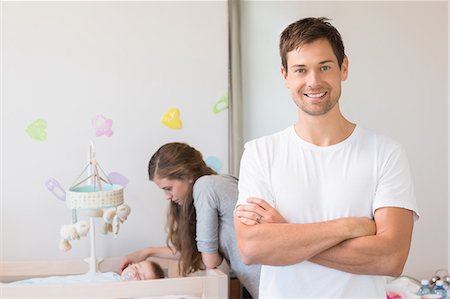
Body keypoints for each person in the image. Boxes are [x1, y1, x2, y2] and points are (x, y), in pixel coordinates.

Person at [234, 17, 419, 298]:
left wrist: (285, 235)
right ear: (284, 75)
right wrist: (349, 226)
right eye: (300, 70)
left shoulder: (386, 153)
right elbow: (252, 248)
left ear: (343, 68)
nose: (313, 81)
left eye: (324, 67)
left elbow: (390, 258)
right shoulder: (260, 154)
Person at [119, 142, 260, 298]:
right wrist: (148, 252)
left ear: (187, 175)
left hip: (267, 280)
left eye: (168, 188)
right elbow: (196, 256)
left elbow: (209, 260)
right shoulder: (216, 184)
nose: (167, 197)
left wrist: (214, 253)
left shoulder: (206, 186)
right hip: (257, 282)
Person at [9, 260, 164, 285]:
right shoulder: (112, 277)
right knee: (40, 284)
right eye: (136, 268)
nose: (135, 274)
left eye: (142, 278)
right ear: (129, 265)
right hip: (62, 286)